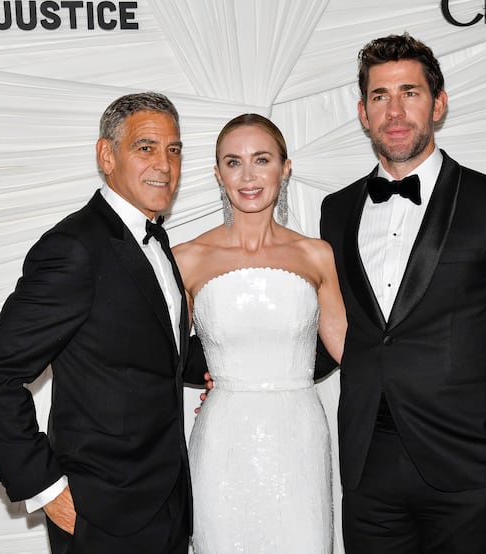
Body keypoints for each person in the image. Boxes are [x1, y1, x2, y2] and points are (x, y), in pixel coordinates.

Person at [317, 33, 486, 553]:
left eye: (411, 92)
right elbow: (339, 332)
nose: (396, 111)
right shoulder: (335, 212)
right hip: (368, 471)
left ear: (439, 103)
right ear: (363, 112)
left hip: (470, 470)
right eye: (380, 96)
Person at [0, 92, 195, 553]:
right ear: (106, 155)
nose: (164, 164)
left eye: (174, 149)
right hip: (101, 512)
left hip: (167, 504)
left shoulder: (153, 238)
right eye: (146, 147)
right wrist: (48, 491)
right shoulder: (74, 247)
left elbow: (146, 352)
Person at [174, 113, 347, 554]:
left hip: (300, 439)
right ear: (217, 173)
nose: (248, 176)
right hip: (222, 444)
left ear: (285, 168)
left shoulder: (317, 255)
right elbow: (158, 357)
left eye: (262, 159)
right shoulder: (186, 259)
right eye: (233, 162)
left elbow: (354, 351)